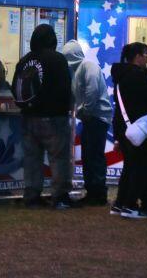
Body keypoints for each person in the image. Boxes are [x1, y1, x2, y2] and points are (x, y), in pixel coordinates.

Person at [11, 23, 74, 209]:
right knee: (59, 159)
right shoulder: (58, 59)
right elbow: (65, 89)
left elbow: (15, 87)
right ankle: (60, 196)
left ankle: (31, 196)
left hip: (28, 117)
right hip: (53, 117)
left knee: (32, 159)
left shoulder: (24, 60)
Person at [111, 41, 147, 218]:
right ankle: (130, 205)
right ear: (138, 56)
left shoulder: (120, 75)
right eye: (146, 55)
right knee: (139, 166)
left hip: (124, 127)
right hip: (138, 128)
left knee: (129, 166)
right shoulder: (139, 76)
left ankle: (119, 203)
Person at [64, 39, 112, 206]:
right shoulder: (79, 69)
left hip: (96, 118)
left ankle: (98, 192)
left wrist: (86, 112)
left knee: (94, 156)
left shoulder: (88, 67)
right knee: (89, 156)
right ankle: (93, 190)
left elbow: (92, 91)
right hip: (91, 118)